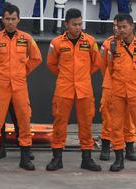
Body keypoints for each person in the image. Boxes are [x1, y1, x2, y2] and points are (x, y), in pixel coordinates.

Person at [0, 2, 42, 171]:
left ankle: (25, 158)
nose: (10, 22)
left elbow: (37, 58)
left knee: (24, 119)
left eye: (13, 19)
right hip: (1, 86)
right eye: (7, 19)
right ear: (2, 19)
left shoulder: (26, 39)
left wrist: (22, 72)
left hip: (19, 85)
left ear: (18, 20)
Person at [45, 8, 101, 172]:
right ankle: (57, 158)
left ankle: (87, 158)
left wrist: (82, 76)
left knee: (86, 124)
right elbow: (51, 64)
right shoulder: (56, 43)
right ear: (66, 24)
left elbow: (96, 63)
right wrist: (65, 76)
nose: (78, 27)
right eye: (74, 24)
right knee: (59, 123)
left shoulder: (90, 42)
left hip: (84, 89)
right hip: (64, 89)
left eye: (80, 24)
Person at [101, 13, 136, 173]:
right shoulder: (112, 46)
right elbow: (107, 68)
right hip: (117, 91)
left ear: (132, 27)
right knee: (116, 125)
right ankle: (119, 159)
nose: (121, 30)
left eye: (124, 27)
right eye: (119, 27)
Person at [99, 18, 136, 162]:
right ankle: (106, 146)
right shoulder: (108, 44)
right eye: (114, 26)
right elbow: (103, 66)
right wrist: (111, 79)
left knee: (128, 117)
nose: (117, 29)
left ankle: (130, 146)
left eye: (120, 26)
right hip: (110, 84)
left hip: (129, 85)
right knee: (108, 117)